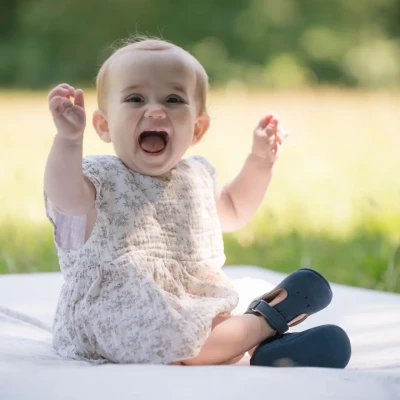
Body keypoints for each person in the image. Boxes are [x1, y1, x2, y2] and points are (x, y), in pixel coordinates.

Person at [44, 35, 351, 367]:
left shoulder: (196, 176)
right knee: (171, 338)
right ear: (104, 125)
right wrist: (68, 140)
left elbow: (233, 210)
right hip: (121, 312)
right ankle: (266, 322)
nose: (156, 110)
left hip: (194, 299)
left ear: (197, 128)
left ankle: (261, 346)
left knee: (218, 312)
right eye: (135, 98)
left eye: (174, 99)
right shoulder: (97, 177)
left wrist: (260, 163)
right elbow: (67, 202)